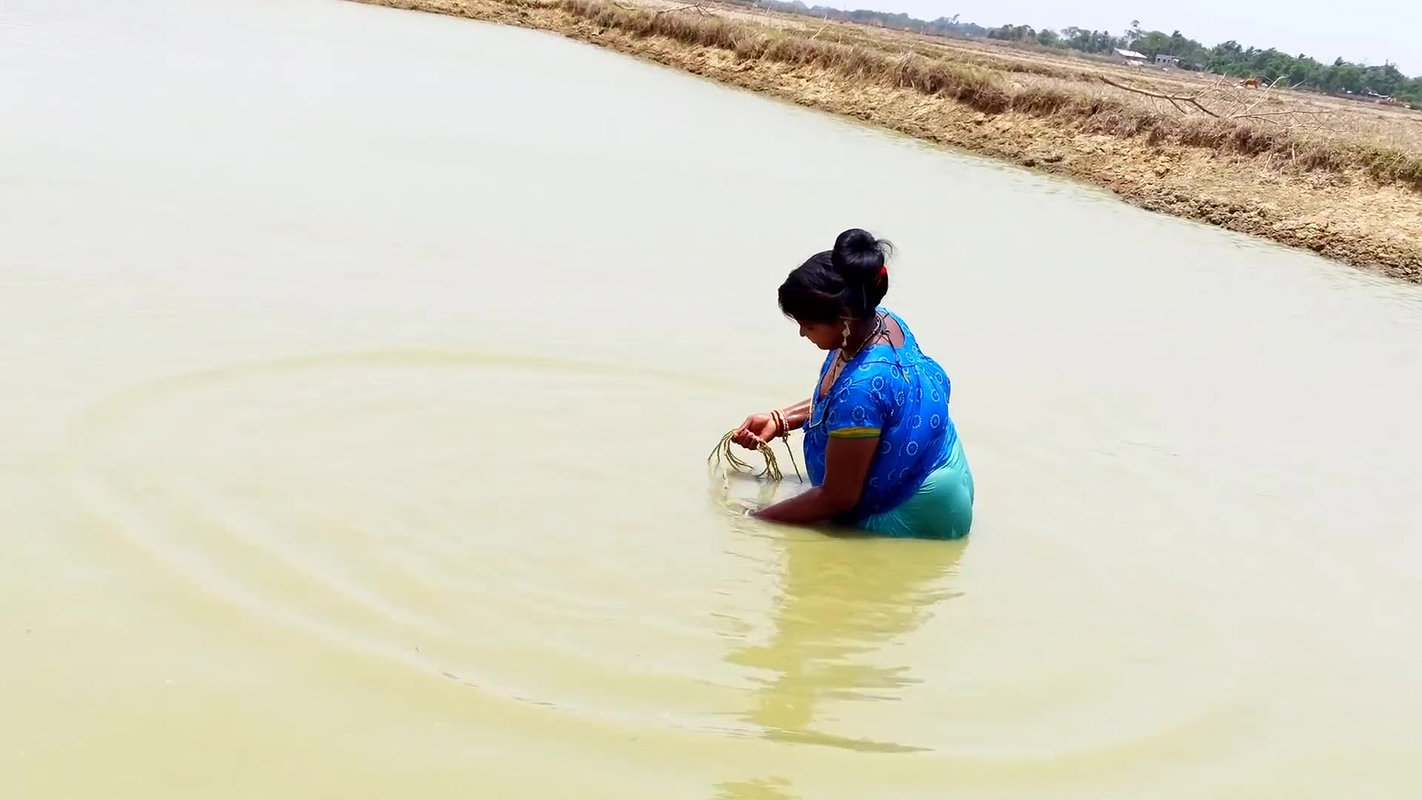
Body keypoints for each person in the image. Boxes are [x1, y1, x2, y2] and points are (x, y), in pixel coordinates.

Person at [732, 228, 974, 539]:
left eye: (809, 325)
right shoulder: (882, 322)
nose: (802, 333)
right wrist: (781, 420)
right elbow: (861, 407)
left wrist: (752, 518)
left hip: (913, 514)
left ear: (844, 319)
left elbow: (838, 497)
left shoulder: (860, 389)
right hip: (942, 466)